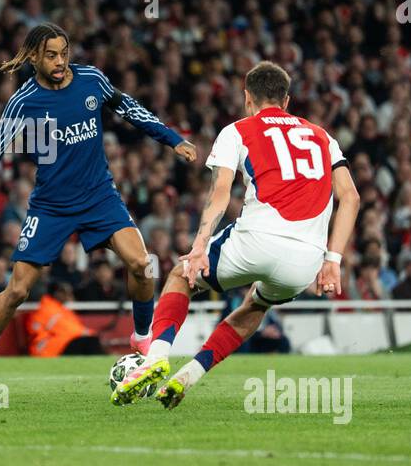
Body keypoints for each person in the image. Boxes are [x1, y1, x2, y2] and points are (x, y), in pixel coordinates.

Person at [0, 22, 197, 400]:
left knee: (144, 265)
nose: (61, 61)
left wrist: (171, 138)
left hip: (99, 197)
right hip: (51, 207)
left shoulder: (91, 79)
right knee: (16, 291)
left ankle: (141, 338)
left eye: (64, 52)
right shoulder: (24, 102)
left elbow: (127, 106)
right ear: (34, 58)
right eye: (51, 55)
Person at [114, 61, 359, 409]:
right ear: (286, 101)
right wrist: (333, 261)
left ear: (247, 98)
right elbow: (351, 197)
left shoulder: (238, 130)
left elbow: (220, 193)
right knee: (257, 304)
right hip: (305, 262)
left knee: (181, 275)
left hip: (255, 240)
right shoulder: (323, 136)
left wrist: (199, 246)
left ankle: (156, 358)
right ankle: (191, 375)